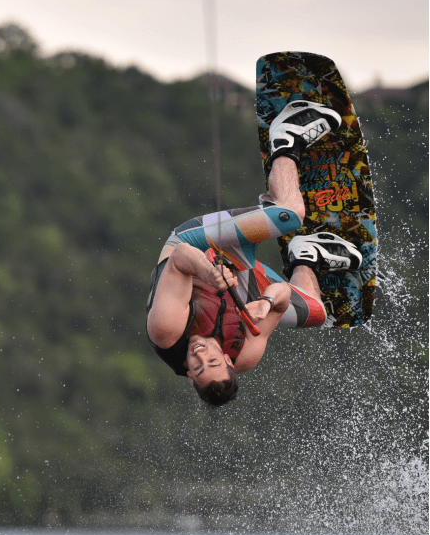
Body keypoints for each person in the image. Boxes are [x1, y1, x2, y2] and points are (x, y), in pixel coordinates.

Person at [146, 101, 363, 406]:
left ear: (190, 376)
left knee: (289, 215)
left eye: (198, 367)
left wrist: (210, 273)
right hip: (240, 280)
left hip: (198, 245)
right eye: (212, 362)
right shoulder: (245, 354)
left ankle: (286, 140)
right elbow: (284, 294)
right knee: (320, 313)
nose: (200, 357)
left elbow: (181, 257)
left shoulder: (167, 330)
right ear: (229, 361)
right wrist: (266, 303)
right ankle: (307, 254)